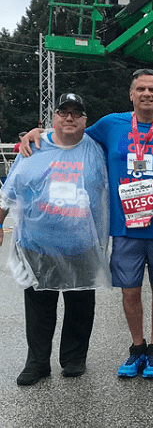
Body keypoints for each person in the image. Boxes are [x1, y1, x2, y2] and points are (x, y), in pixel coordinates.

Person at [23, 68, 153, 379]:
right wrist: (38, 133)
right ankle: (137, 347)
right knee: (129, 292)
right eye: (140, 88)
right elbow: (70, 131)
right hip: (125, 228)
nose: (147, 94)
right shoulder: (112, 124)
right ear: (131, 94)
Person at [0, 93, 110, 386]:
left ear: (86, 120)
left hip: (81, 246)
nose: (70, 117)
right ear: (55, 117)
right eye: (64, 112)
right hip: (38, 245)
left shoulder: (97, 149)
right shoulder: (34, 148)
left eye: (77, 112)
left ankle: (74, 359)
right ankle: (37, 363)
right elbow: (8, 193)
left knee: (81, 304)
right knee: (39, 307)